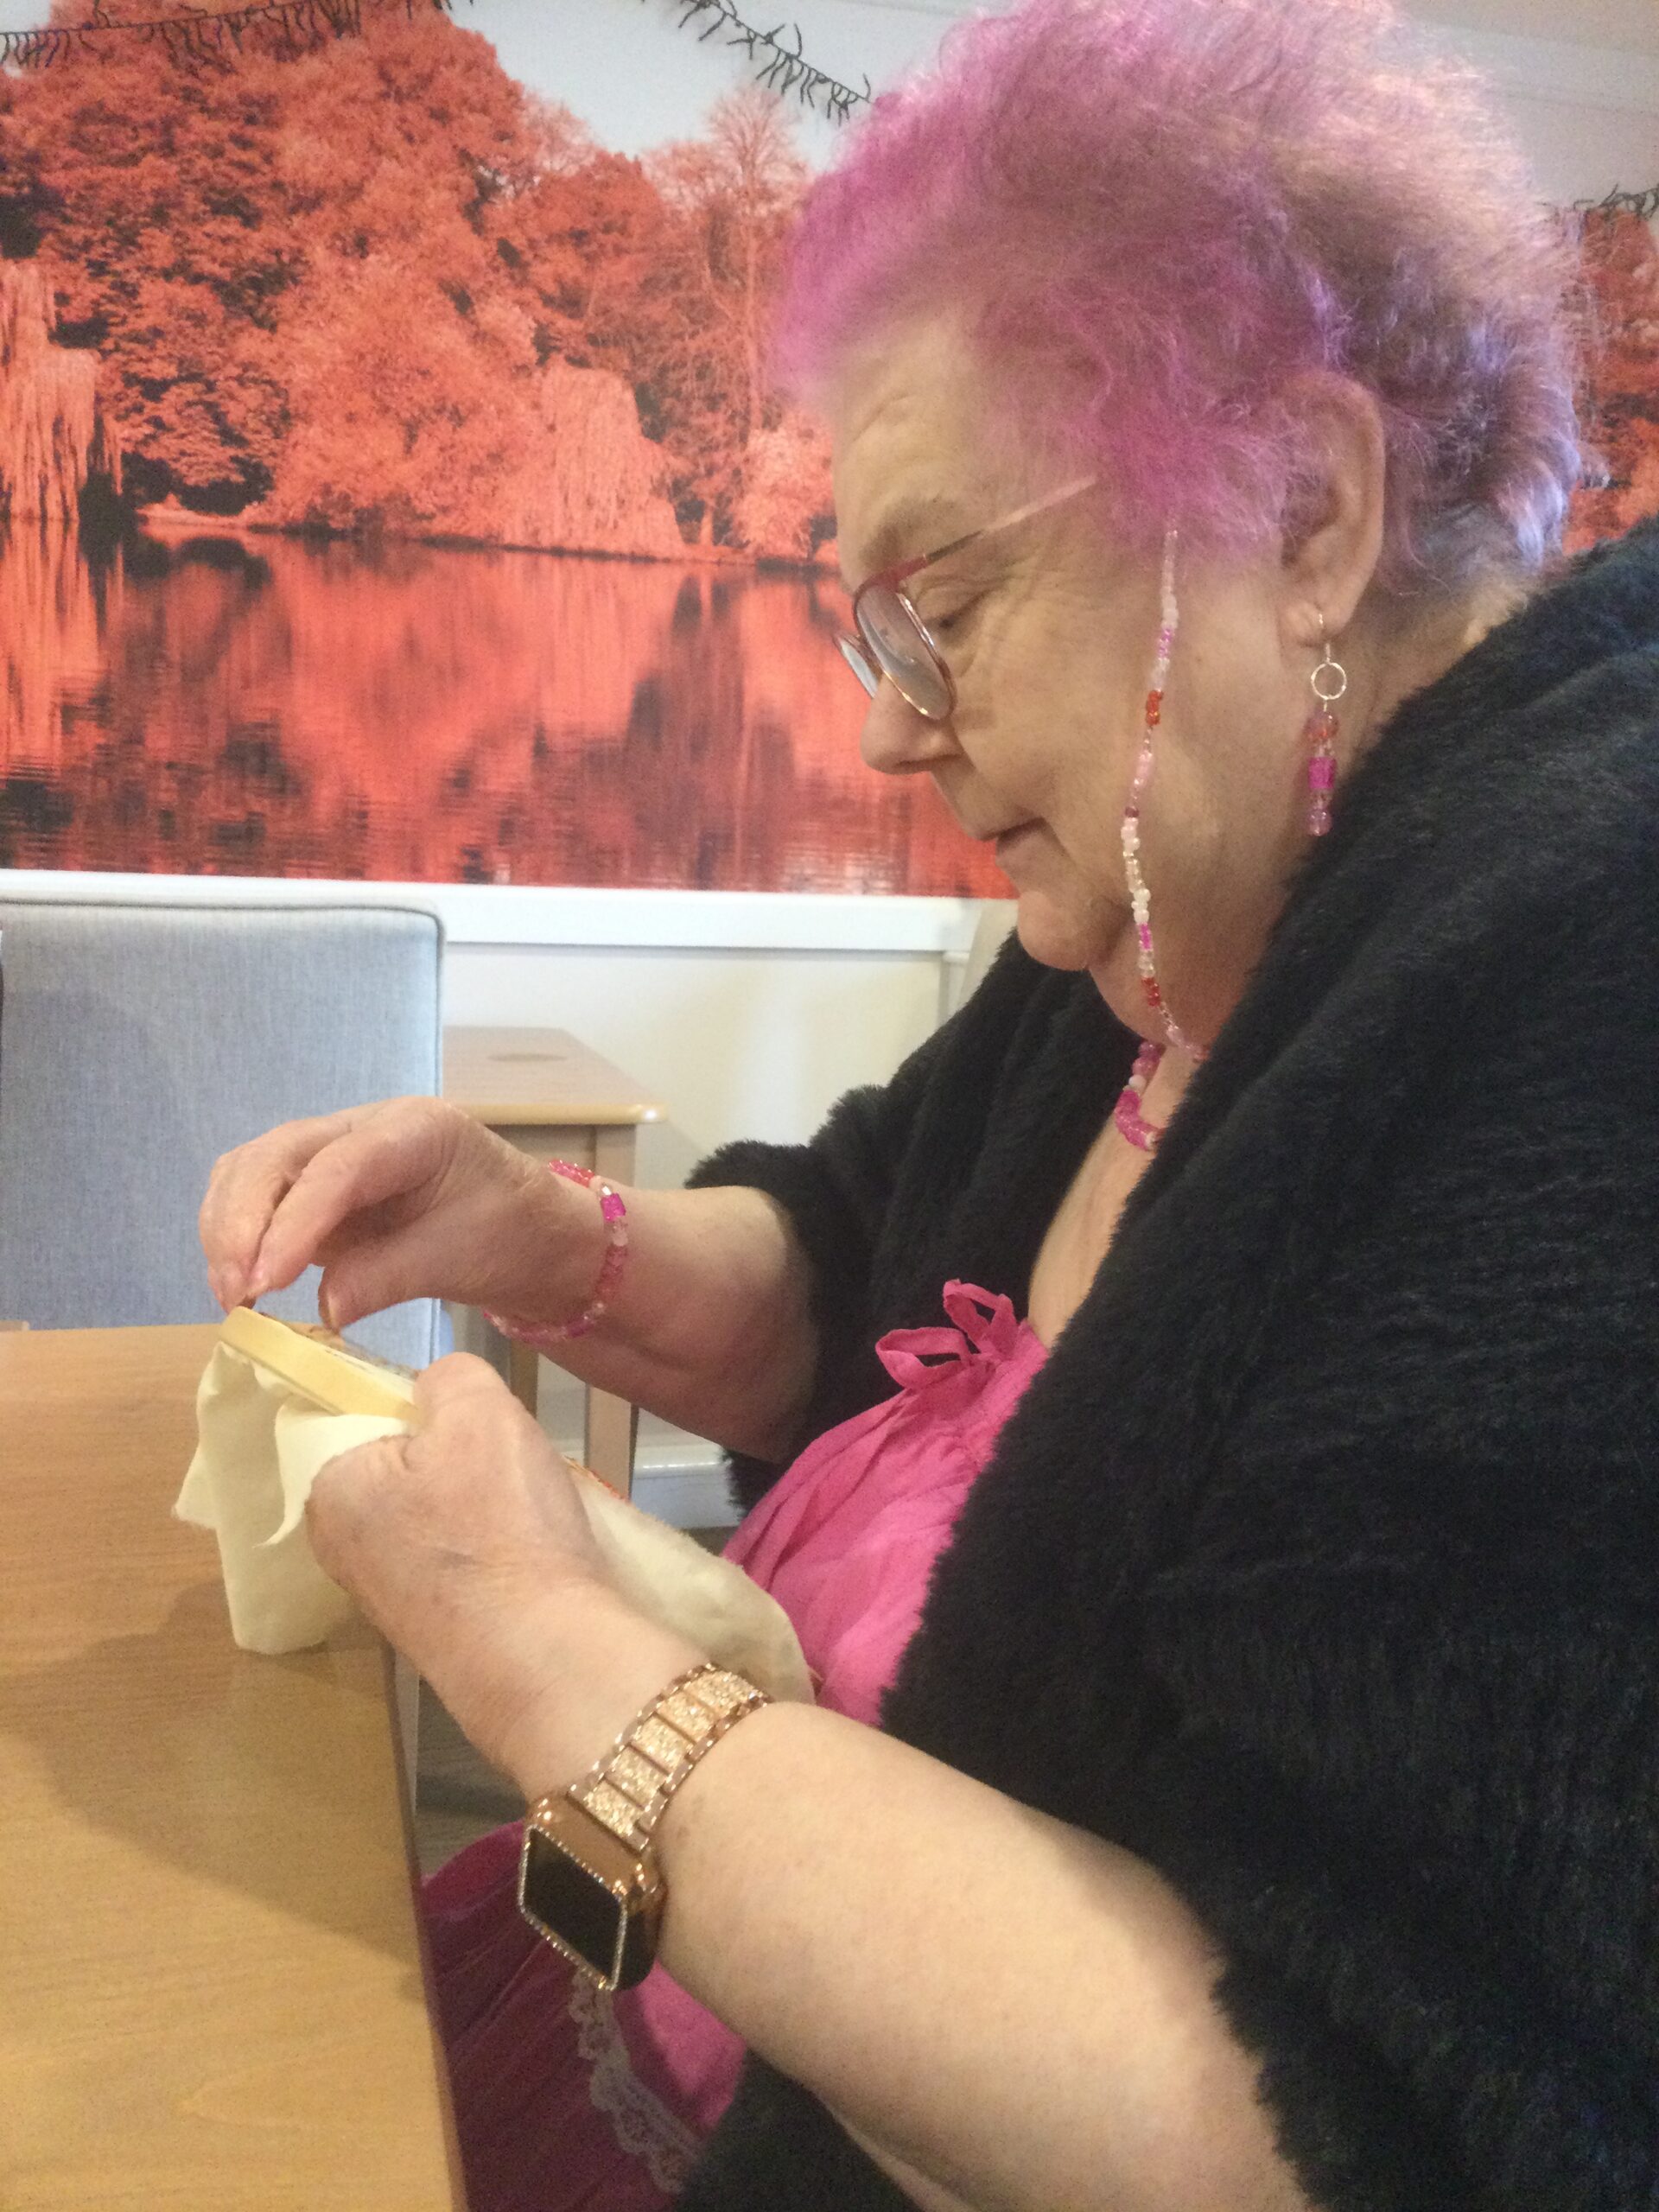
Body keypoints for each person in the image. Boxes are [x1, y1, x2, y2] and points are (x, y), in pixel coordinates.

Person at [199, 0, 1659, 2205]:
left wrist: (532, 1643)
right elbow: (859, 1258)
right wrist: (525, 1227)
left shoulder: (1588, 991)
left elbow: (1348, 2122)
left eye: (947, 605)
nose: (892, 733)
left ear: (1309, 506)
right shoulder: (1190, 912)